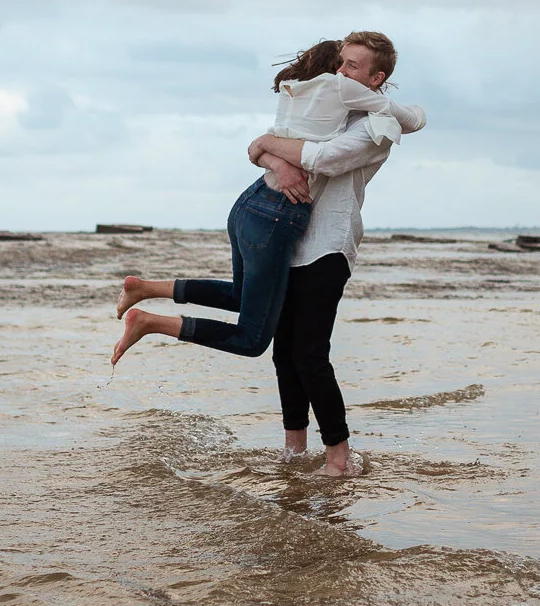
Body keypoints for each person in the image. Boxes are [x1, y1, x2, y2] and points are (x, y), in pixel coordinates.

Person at [115, 31, 422, 477]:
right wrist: (271, 154)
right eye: (341, 64)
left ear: (376, 78)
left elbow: (323, 159)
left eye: (353, 67)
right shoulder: (328, 109)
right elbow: (265, 149)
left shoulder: (375, 128)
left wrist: (267, 144)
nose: (341, 74)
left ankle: (338, 457)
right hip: (290, 241)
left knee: (310, 355)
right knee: (283, 354)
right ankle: (293, 451)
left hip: (327, 249)